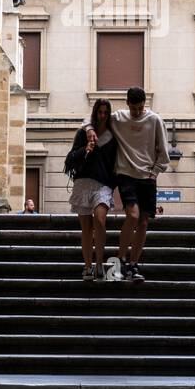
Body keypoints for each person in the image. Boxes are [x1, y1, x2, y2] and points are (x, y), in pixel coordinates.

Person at [86, 86, 168, 282]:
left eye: (140, 108)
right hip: (125, 174)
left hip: (147, 176)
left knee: (144, 222)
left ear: (144, 104)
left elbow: (163, 151)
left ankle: (133, 264)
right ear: (127, 104)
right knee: (132, 215)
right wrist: (89, 129)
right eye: (134, 109)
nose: (137, 112)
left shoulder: (155, 120)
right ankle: (121, 257)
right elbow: (92, 120)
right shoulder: (119, 118)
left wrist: (154, 172)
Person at [66, 98, 117, 281]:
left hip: (102, 184)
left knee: (100, 220)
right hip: (83, 183)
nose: (102, 115)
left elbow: (114, 163)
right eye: (99, 112)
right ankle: (88, 266)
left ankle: (100, 262)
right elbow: (70, 159)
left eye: (105, 112)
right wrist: (84, 150)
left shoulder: (112, 136)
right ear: (95, 113)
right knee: (86, 229)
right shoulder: (83, 133)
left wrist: (112, 184)